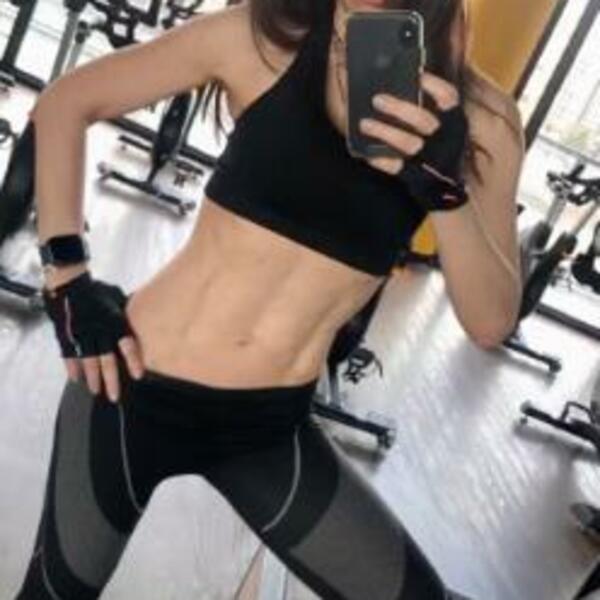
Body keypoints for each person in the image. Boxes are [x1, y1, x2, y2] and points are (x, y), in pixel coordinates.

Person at [16, 0, 524, 598]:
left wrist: (448, 197)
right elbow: (65, 103)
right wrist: (68, 281)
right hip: (132, 387)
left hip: (268, 429)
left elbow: (490, 322)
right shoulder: (262, 35)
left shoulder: (486, 121)